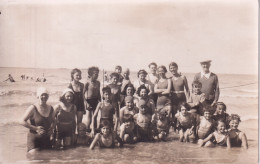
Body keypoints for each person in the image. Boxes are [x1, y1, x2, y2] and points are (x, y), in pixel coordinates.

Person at [20, 87, 55, 153]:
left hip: (46, 140)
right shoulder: (33, 108)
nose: (44, 96)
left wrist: (52, 129)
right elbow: (22, 121)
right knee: (34, 160)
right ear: (38, 96)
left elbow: (54, 121)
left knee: (47, 160)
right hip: (34, 139)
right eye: (42, 95)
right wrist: (36, 128)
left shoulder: (51, 108)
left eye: (46, 95)